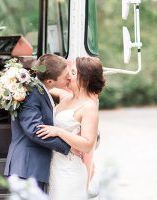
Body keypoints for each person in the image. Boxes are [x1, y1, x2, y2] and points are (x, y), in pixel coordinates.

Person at [36, 56, 105, 199]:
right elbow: (42, 85)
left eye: (73, 73)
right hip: (54, 167)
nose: (68, 77)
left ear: (84, 79)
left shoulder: (89, 107)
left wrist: (59, 132)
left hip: (70, 171)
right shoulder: (65, 97)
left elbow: (87, 145)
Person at [4, 54, 73, 190]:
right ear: (49, 81)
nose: (69, 77)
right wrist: (69, 146)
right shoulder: (32, 93)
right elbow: (35, 130)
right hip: (27, 167)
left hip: (33, 167)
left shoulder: (40, 89)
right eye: (65, 76)